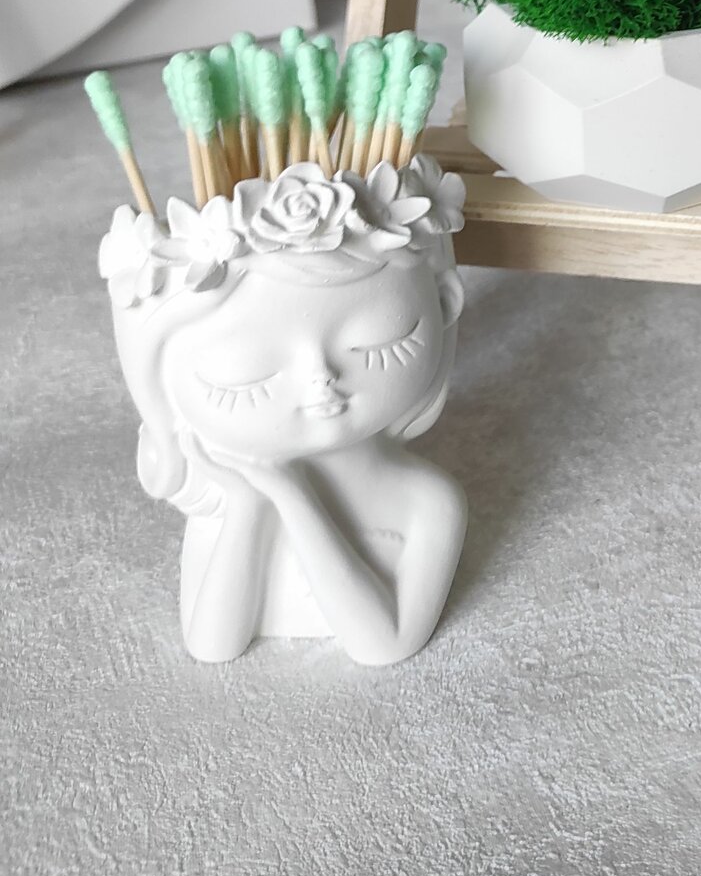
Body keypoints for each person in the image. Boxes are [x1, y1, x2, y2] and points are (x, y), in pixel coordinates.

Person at [106, 162, 468, 663]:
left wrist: (289, 493)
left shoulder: (429, 501)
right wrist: (247, 502)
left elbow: (383, 645)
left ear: (445, 305)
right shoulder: (219, 501)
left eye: (379, 344)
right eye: (245, 377)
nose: (322, 377)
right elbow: (211, 646)